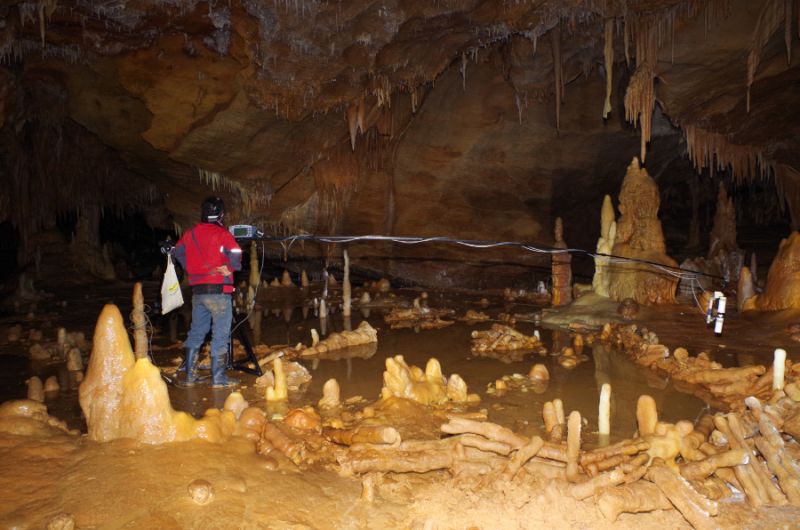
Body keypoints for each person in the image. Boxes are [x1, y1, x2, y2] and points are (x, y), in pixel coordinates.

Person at [172, 197, 242, 388]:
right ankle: (219, 378)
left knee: (196, 333)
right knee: (220, 334)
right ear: (220, 214)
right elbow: (235, 252)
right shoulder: (222, 234)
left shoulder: (191, 233)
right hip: (219, 290)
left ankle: (190, 377)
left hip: (199, 292)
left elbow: (177, 252)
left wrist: (191, 268)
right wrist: (231, 267)